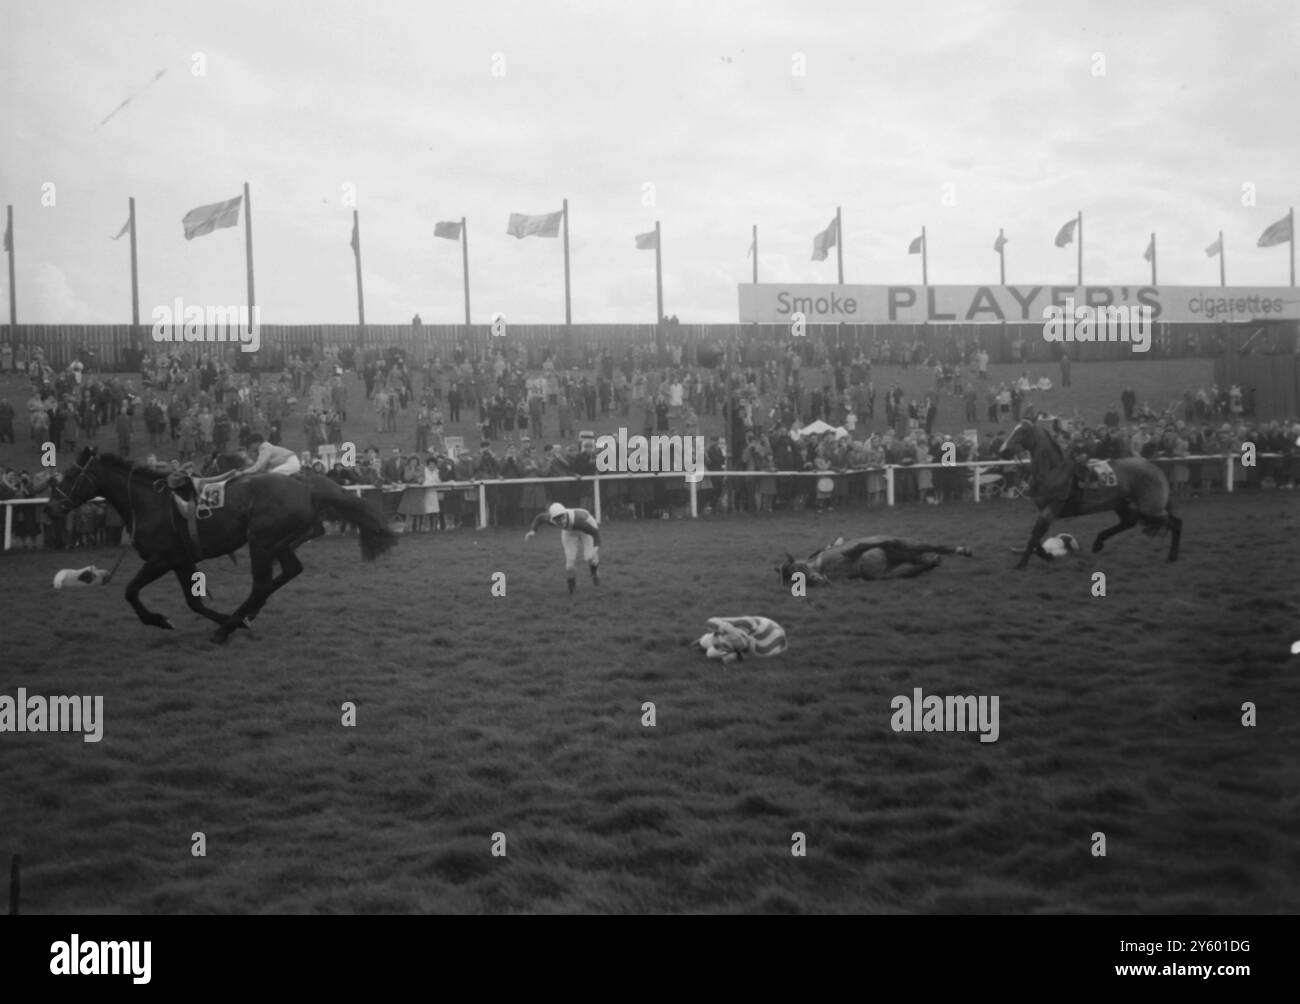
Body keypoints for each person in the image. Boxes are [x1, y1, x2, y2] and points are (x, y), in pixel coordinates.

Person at [525, 500, 600, 595]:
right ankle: (571, 592)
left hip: (587, 526)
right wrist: (533, 530)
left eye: (562, 517)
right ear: (553, 520)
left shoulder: (578, 520)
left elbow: (595, 533)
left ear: (565, 514)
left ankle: (594, 572)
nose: (561, 521)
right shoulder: (552, 520)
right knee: (570, 565)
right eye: (557, 520)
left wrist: (596, 547)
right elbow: (540, 518)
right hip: (569, 531)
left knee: (589, 557)